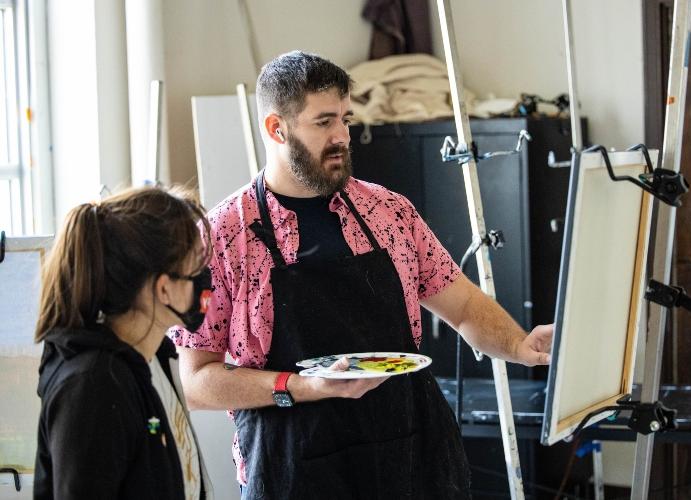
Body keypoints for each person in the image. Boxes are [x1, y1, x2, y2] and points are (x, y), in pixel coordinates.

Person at [173, 51, 553, 499]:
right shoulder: (224, 235)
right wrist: (301, 388)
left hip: (409, 457)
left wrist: (518, 345)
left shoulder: (389, 212)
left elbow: (465, 306)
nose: (342, 136)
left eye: (345, 119)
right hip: (294, 468)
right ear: (277, 129)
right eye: (324, 122)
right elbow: (197, 382)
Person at [33, 186, 214, 500]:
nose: (206, 278)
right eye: (195, 268)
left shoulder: (151, 355)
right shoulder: (93, 386)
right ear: (164, 289)